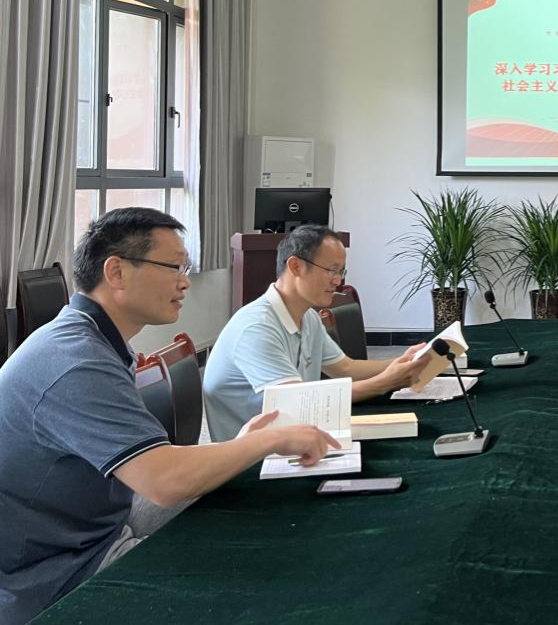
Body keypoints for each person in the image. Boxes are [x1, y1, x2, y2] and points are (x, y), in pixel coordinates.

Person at [0, 208, 338, 625]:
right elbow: (164, 481)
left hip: (99, 523)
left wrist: (243, 446)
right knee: (254, 578)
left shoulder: (93, 338)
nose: (185, 281)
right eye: (173, 267)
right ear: (116, 272)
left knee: (255, 512)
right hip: (54, 574)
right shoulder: (76, 360)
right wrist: (266, 440)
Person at [203, 224, 428, 441]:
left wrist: (405, 361)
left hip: (293, 436)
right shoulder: (256, 327)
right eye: (331, 270)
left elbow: (345, 368)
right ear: (296, 266)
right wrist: (385, 382)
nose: (338, 281)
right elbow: (299, 402)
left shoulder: (308, 316)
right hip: (252, 454)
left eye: (341, 271)